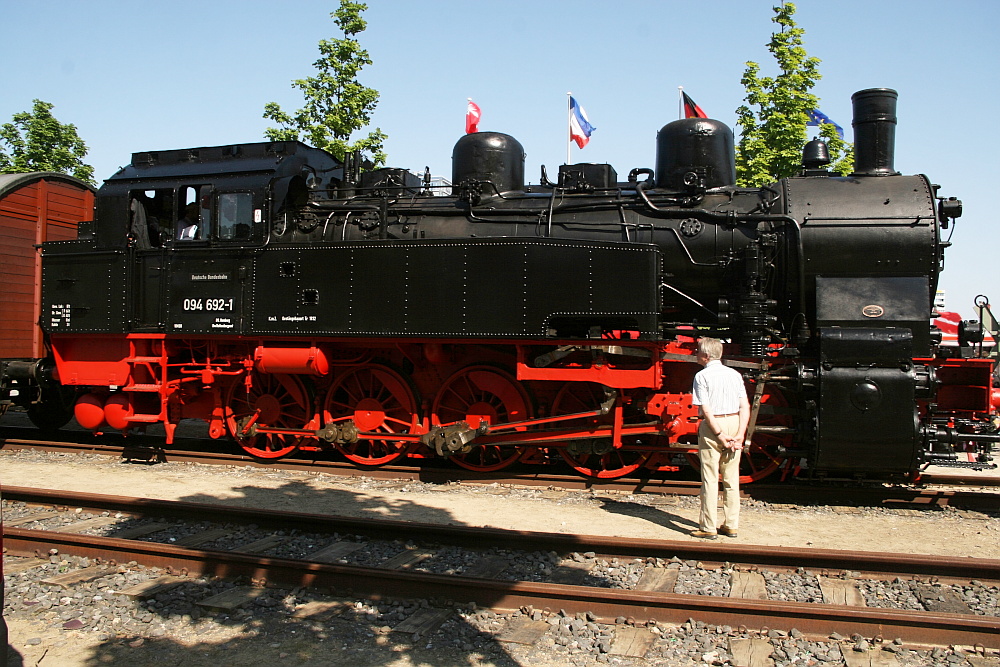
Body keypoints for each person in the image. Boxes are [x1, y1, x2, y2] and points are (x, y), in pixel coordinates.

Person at [690, 337, 750, 539]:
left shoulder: (701, 376)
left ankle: (708, 527)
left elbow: (705, 409)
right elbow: (745, 406)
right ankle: (731, 525)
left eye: (698, 351)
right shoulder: (734, 375)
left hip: (713, 426)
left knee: (710, 477)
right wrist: (740, 434)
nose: (696, 354)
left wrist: (719, 434)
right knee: (732, 479)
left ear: (706, 356)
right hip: (734, 422)